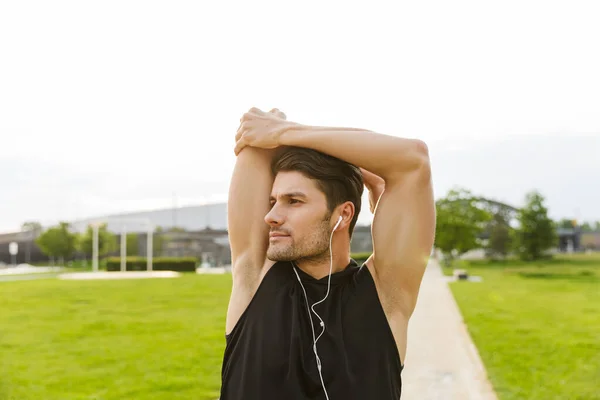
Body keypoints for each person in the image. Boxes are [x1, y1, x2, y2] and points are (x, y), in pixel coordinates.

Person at [219, 107, 436, 400]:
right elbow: (257, 130)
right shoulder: (255, 277)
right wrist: (275, 129)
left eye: (293, 201)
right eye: (272, 200)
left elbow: (413, 159)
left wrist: (285, 132)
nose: (271, 215)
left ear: (342, 214)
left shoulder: (386, 295)